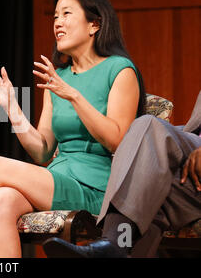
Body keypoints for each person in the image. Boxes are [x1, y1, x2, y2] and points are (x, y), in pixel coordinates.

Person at [0, 0, 146, 258]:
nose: (57, 23)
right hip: (58, 177)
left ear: (94, 24)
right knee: (0, 200)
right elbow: (42, 151)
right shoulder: (59, 76)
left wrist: (73, 95)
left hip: (98, 187)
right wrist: (12, 108)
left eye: (66, 14)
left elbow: (117, 140)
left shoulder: (120, 70)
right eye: (54, 16)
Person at [43, 91, 201, 258]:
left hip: (93, 180)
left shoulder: (120, 69)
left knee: (148, 130)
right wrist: (15, 112)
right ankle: (116, 245)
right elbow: (41, 150)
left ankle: (113, 244)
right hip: (190, 171)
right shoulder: (57, 82)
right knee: (149, 182)